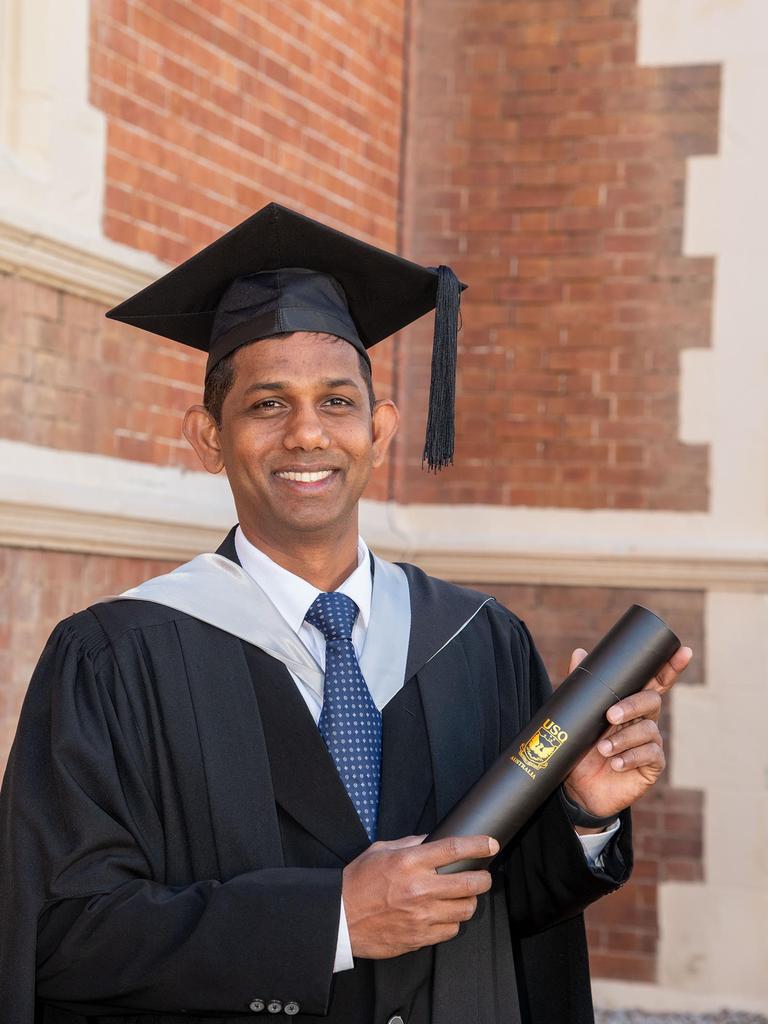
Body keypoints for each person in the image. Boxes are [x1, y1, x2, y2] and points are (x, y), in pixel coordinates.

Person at [0, 203, 692, 1024]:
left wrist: (582, 813)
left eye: (336, 402)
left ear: (381, 430)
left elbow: (515, 913)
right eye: (266, 405)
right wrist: (327, 921)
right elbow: (63, 933)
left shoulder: (479, 641)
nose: (306, 434)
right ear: (207, 436)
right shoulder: (116, 659)